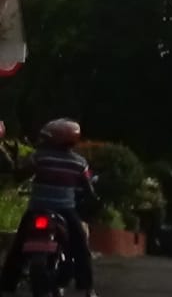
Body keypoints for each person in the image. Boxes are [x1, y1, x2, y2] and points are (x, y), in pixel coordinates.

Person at [0, 118, 98, 297]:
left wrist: (15, 162)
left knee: (18, 247)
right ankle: (87, 288)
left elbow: (20, 175)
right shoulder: (79, 163)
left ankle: (7, 284)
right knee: (81, 247)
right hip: (65, 210)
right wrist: (92, 198)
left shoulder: (39, 157)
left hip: (36, 208)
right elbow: (88, 189)